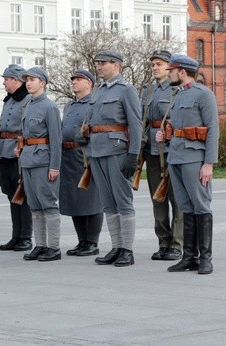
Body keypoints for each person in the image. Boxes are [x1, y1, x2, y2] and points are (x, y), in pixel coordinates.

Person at [156, 55, 219, 274]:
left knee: (201, 205)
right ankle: (189, 257)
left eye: (171, 70)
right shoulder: (177, 95)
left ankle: (205, 258)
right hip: (175, 157)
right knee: (185, 207)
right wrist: (166, 136)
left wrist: (209, 163)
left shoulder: (204, 95)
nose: (168, 73)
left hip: (195, 158)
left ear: (182, 71)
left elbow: (213, 131)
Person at [87, 50, 142, 267]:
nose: (99, 67)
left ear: (116, 65)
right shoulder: (99, 91)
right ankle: (116, 247)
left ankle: (127, 249)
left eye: (103, 63)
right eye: (98, 63)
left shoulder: (126, 91)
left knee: (123, 202)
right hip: (97, 151)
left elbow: (135, 125)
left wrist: (133, 155)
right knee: (108, 203)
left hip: (118, 151)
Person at [140, 50, 183, 261]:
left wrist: (169, 133)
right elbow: (143, 120)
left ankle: (177, 244)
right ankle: (163, 243)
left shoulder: (178, 89)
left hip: (172, 149)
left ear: (169, 66)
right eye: (153, 64)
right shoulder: (148, 91)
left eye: (159, 64)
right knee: (158, 199)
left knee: (176, 199)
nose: (155, 68)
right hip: (152, 151)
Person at [17, 67, 62, 262]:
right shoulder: (28, 105)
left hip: (43, 160)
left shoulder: (49, 107)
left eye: (32, 79)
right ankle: (40, 245)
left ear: (42, 83)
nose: (28, 83)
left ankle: (53, 247)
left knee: (48, 204)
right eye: (27, 79)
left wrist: (55, 166)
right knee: (34, 205)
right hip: (28, 159)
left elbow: (56, 139)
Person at [60, 69, 104, 257]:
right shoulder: (69, 105)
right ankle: (81, 241)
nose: (74, 82)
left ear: (89, 84)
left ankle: (92, 242)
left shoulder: (94, 103)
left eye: (79, 79)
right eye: (73, 80)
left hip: (84, 154)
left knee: (91, 199)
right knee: (74, 200)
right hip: (67, 155)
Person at [0, 64, 33, 252]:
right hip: (4, 150)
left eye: (6, 79)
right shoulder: (8, 101)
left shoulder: (27, 100)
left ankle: (25, 236)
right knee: (11, 195)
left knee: (22, 195)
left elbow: (27, 127)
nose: (4, 83)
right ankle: (16, 235)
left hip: (18, 151)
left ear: (16, 80)